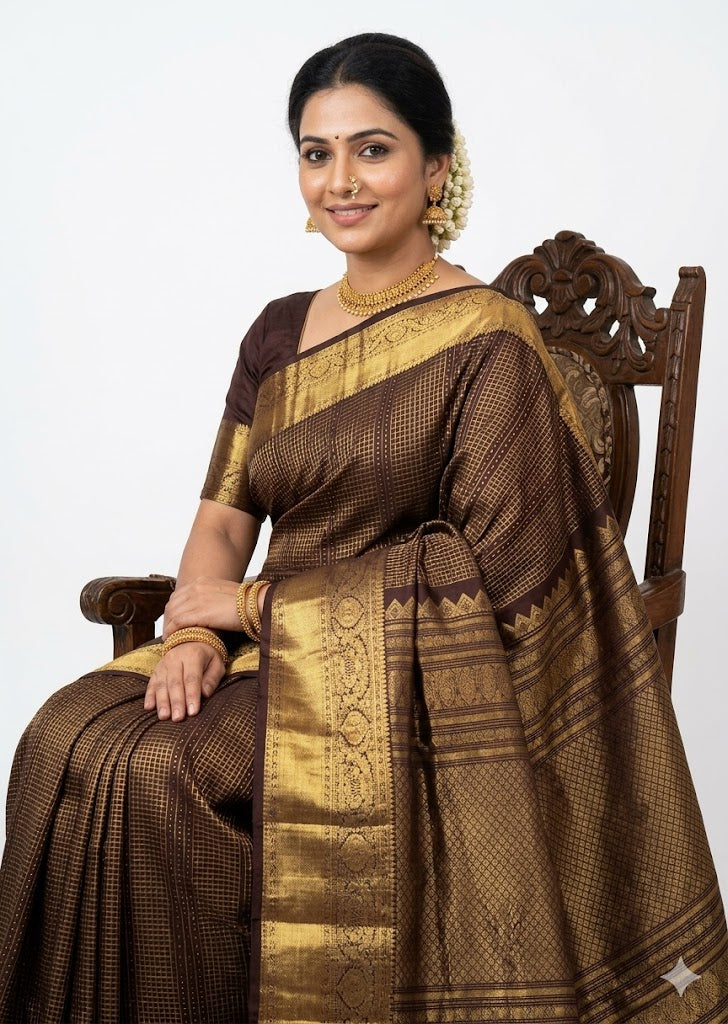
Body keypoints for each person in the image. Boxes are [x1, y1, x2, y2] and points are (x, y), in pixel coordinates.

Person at [0, 31, 726, 1024]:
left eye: (371, 149)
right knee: (64, 740)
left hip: (400, 676)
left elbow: (502, 573)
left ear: (435, 167)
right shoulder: (275, 331)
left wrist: (254, 605)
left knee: (169, 771)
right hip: (264, 652)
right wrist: (192, 633)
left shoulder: (487, 340)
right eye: (315, 152)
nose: (340, 180)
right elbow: (220, 518)